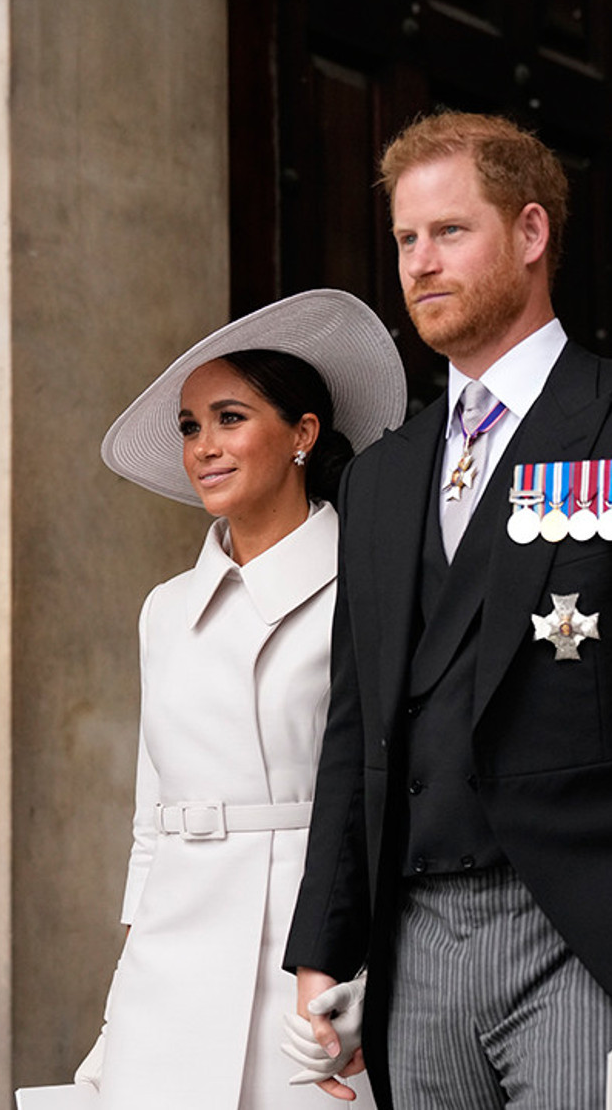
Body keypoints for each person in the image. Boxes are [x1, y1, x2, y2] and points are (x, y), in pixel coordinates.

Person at [283, 111, 612, 1109]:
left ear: (529, 233)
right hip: (413, 944)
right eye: (405, 237)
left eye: (449, 231)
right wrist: (323, 950)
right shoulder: (379, 478)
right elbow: (354, 726)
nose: (419, 262)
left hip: (590, 935)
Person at [74, 289, 406, 1110]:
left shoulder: (369, 590)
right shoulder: (163, 610)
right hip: (168, 972)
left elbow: (394, 800)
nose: (203, 446)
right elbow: (151, 825)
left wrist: (370, 975)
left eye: (229, 418)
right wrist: (119, 1008)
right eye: (191, 426)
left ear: (302, 433)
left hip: (310, 963)